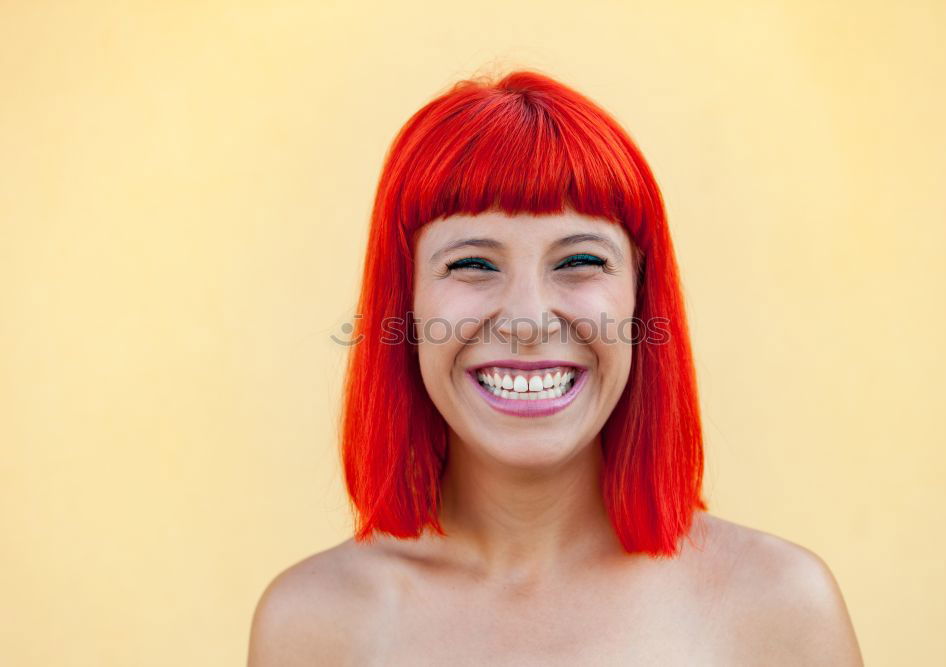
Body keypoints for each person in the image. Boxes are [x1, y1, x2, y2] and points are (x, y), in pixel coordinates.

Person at [248, 70, 864, 666]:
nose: (527, 321)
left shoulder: (780, 608)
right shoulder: (311, 624)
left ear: (640, 300)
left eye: (581, 261)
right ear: (404, 304)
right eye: (473, 265)